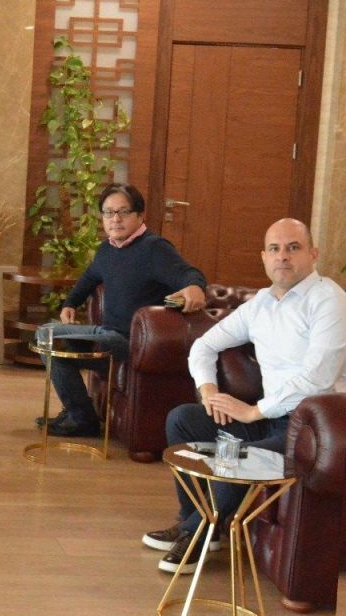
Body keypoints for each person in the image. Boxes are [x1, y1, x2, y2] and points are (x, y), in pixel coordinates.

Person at [142, 218, 346, 574]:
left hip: (314, 429)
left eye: (293, 248)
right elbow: (203, 345)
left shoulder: (329, 300)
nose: (283, 256)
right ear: (264, 257)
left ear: (313, 254)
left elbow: (317, 379)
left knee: (237, 455)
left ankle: (197, 532)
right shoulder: (261, 303)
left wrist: (253, 411)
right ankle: (197, 523)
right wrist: (208, 391)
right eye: (274, 249)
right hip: (271, 418)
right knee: (183, 420)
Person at [36, 184, 206, 437]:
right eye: (108, 212)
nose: (115, 219)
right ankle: (79, 414)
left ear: (140, 216)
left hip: (132, 341)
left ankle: (81, 419)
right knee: (47, 333)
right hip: (107, 332)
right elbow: (89, 278)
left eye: (123, 212)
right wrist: (70, 303)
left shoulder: (154, 248)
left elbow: (187, 273)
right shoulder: (108, 249)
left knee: (51, 339)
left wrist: (195, 286)